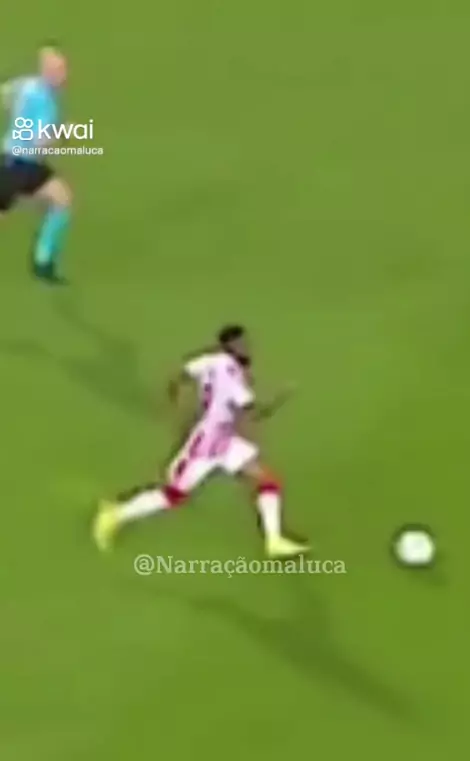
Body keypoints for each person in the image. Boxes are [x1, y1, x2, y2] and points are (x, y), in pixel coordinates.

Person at [93, 325, 308, 558]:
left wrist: (175, 403)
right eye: (241, 344)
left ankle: (274, 541)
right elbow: (255, 413)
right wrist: (280, 399)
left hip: (225, 439)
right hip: (207, 444)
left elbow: (180, 375)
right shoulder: (231, 374)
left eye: (246, 343)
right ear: (230, 347)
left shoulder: (211, 359)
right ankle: (114, 515)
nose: (247, 348)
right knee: (173, 495)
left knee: (268, 480)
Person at [0, 44, 72, 282]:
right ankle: (43, 261)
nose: (64, 76)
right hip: (16, 165)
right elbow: (41, 143)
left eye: (64, 69)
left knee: (62, 199)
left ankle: (43, 262)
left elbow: (5, 95)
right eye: (59, 71)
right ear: (48, 72)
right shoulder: (46, 102)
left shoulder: (26, 85)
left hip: (23, 163)